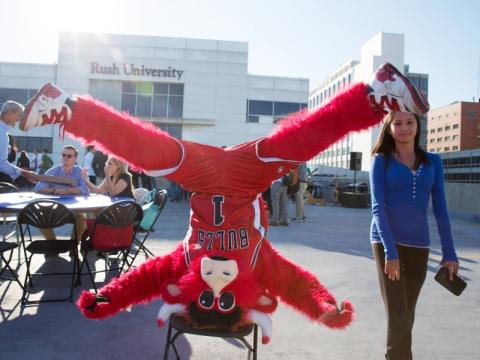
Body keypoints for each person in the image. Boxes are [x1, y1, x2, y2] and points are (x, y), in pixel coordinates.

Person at [21, 63, 429, 339]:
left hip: (198, 173)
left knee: (145, 150)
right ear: (247, 296)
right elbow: (293, 283)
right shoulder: (256, 265)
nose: (217, 287)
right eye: (227, 299)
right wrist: (322, 305)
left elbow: (144, 280)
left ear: (190, 293)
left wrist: (108, 299)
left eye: (205, 297)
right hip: (243, 177)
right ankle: (376, 94)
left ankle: (67, 108)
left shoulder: (184, 262)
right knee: (295, 144)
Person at [369, 111, 460, 360]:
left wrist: (449, 253)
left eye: (410, 122)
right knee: (398, 313)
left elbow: (440, 208)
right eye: (397, 123)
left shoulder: (433, 161)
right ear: (388, 128)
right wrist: (391, 252)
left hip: (419, 245)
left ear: (418, 126)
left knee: (406, 314)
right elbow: (378, 207)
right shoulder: (381, 160)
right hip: (387, 243)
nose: (404, 128)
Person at [34, 145, 89, 250]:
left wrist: (67, 191)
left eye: (69, 156)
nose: (66, 157)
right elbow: (38, 187)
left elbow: (85, 189)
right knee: (40, 218)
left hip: (75, 208)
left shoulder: (80, 171)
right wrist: (54, 191)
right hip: (55, 208)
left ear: (75, 158)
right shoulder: (53, 171)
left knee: (83, 219)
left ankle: (73, 246)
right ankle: (54, 246)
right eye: (64, 155)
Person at [0, 101, 38, 184]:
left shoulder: (4, 132)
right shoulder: (2, 133)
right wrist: (26, 173)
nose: (19, 119)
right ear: (9, 113)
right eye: (19, 115)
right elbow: (1, 164)